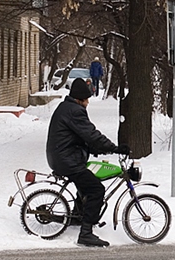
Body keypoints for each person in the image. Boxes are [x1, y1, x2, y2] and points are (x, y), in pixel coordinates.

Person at [46, 78, 127, 247]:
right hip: (67, 160)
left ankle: (78, 216)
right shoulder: (75, 111)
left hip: (62, 156)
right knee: (96, 189)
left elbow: (80, 137)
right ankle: (86, 233)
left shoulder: (65, 107)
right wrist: (114, 148)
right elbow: (91, 134)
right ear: (79, 99)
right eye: (87, 99)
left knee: (85, 185)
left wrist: (98, 149)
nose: (88, 103)